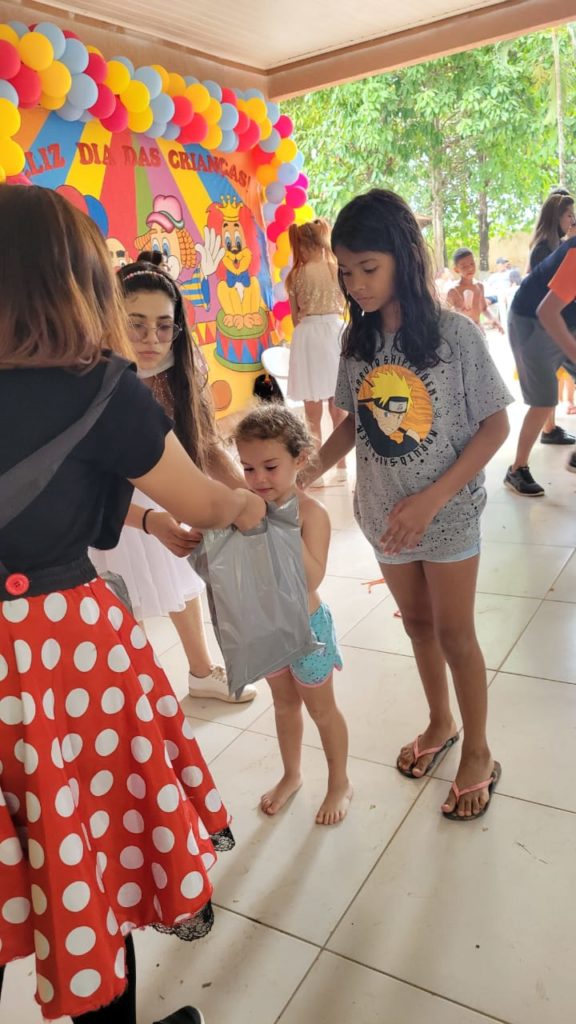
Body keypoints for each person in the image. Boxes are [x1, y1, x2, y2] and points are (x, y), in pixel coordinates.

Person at [0, 184, 266, 1022]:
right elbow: (204, 501)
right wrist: (246, 504)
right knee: (89, 842)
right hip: (56, 651)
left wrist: (144, 518)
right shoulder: (99, 389)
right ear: (77, 280)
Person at [304, 188, 512, 820]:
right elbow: (354, 422)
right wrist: (304, 474)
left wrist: (432, 498)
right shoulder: (357, 339)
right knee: (418, 626)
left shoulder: (455, 335)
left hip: (446, 515)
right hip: (383, 515)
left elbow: (495, 427)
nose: (356, 284)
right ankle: (440, 721)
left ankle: (478, 750)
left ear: (403, 256)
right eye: (346, 272)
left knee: (455, 633)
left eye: (368, 268)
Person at [91, 260, 257, 703]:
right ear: (110, 317)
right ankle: (142, 692)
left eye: (164, 326)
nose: (151, 338)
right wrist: (147, 520)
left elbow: (203, 446)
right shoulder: (94, 382)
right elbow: (86, 489)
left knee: (180, 580)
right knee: (123, 602)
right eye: (137, 324)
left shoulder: (176, 376)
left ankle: (201, 671)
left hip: (169, 497)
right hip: (115, 512)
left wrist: (248, 492)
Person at [234, 405, 352, 826]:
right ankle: (292, 774)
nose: (258, 479)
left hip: (306, 629)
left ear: (300, 459)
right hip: (266, 628)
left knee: (322, 710)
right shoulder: (247, 507)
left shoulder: (311, 514)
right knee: (284, 706)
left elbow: (311, 578)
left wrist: (281, 526)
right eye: (248, 469)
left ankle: (339, 781)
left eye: (270, 467)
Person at [505, 234, 576, 495]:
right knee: (543, 400)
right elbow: (547, 312)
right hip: (531, 321)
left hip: (567, 318)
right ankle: (516, 469)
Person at [286, 219, 347, 486]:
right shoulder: (337, 269)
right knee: (338, 405)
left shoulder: (296, 275)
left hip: (308, 336)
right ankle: (342, 467)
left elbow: (295, 317)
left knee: (312, 412)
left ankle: (316, 470)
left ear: (301, 245)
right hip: (335, 332)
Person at [525, 192, 576, 444]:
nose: (572, 220)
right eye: (569, 215)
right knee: (547, 382)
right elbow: (552, 290)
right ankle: (547, 431)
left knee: (550, 379)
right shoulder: (543, 249)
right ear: (556, 217)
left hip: (555, 323)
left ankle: (549, 429)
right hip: (547, 325)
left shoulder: (552, 246)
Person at [446, 248, 504, 334]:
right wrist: (458, 312)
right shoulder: (453, 291)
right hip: (461, 332)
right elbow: (446, 315)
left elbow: (484, 308)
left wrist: (493, 319)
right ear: (456, 270)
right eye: (464, 266)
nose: (470, 268)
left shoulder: (479, 287)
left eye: (472, 263)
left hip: (478, 330)